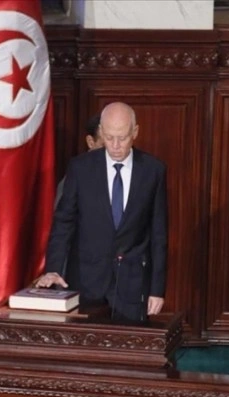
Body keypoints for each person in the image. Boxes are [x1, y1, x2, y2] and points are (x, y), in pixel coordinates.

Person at [38, 102, 168, 322]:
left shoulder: (153, 171)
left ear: (135, 132)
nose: (115, 146)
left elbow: (158, 234)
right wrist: (54, 269)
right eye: (108, 137)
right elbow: (63, 224)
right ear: (100, 132)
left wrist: (157, 289)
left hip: (132, 286)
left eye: (122, 138)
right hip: (85, 281)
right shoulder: (80, 168)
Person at [54, 114, 104, 209]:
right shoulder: (77, 175)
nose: (113, 150)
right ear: (90, 142)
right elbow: (61, 214)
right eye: (104, 145)